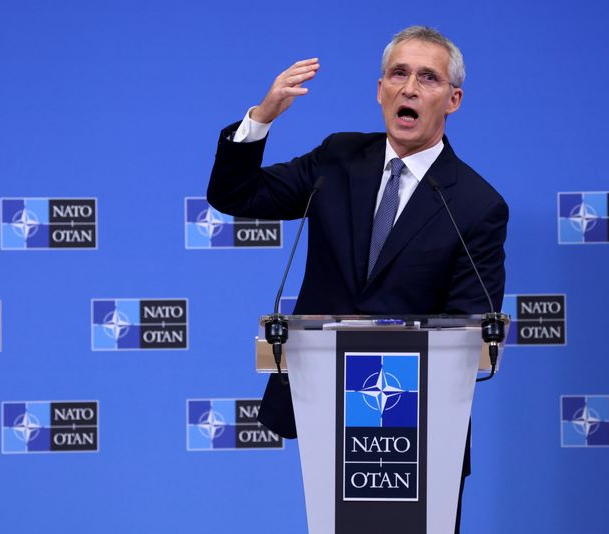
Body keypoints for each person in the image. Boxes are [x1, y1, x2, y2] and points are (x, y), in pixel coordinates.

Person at [207, 26, 508, 533]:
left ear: (453, 99)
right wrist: (261, 119)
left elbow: (469, 329)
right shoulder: (338, 159)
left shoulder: (477, 206)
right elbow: (235, 196)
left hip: (419, 428)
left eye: (428, 78)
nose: (409, 88)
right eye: (398, 73)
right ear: (380, 90)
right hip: (325, 405)